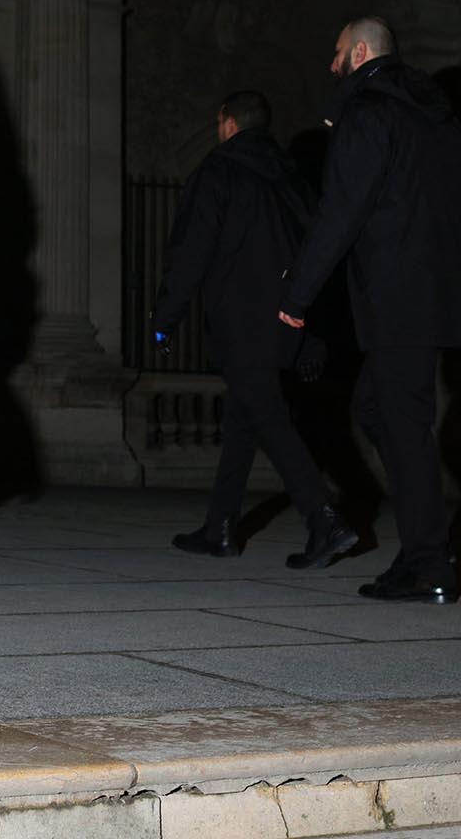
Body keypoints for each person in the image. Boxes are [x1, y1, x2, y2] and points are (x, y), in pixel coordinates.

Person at [279, 17, 461, 603]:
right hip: (432, 296)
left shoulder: (370, 114)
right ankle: (427, 546)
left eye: (338, 51)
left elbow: (340, 212)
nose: (332, 64)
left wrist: (297, 295)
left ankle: (429, 565)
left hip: (398, 299)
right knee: (379, 409)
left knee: (403, 424)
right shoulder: (438, 119)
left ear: (362, 52)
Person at [151, 91, 357, 568]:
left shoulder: (218, 172)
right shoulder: (292, 180)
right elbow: (317, 254)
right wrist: (312, 332)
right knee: (244, 422)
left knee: (268, 416)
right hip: (287, 318)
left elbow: (190, 253)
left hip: (240, 320)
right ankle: (220, 528)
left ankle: (324, 519)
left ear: (226, 122)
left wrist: (166, 318)